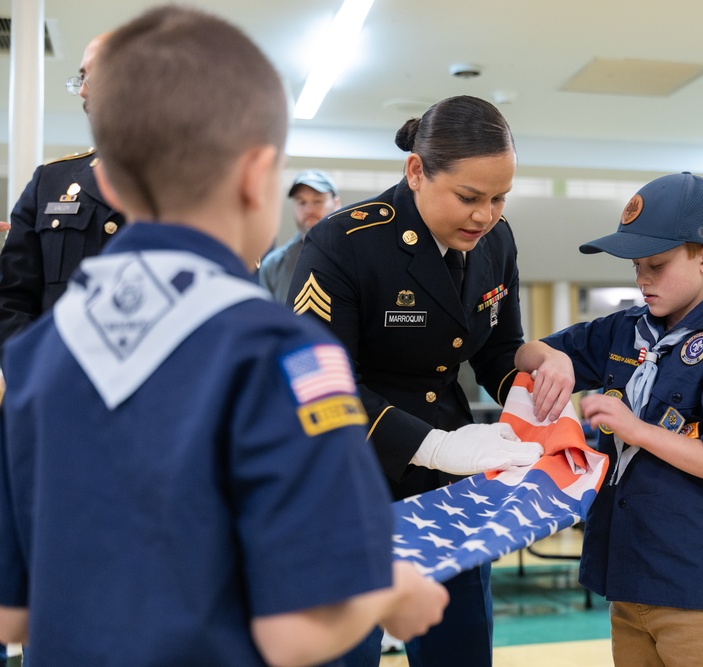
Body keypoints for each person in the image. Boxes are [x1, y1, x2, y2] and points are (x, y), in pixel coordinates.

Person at [0, 6, 448, 665]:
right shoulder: (284, 352)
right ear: (253, 175)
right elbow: (296, 629)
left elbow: (14, 613)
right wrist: (393, 594)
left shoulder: (35, 358)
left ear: (111, 183)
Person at [286, 95, 544, 667]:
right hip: (348, 476)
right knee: (342, 652)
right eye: (469, 198)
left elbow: (499, 349)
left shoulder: (496, 242)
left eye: (500, 198)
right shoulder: (343, 243)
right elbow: (316, 381)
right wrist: (432, 446)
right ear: (417, 171)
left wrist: (536, 396)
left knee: (459, 647)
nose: (486, 216)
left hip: (447, 489)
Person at [515, 172, 703, 667]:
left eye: (656, 265)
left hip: (698, 588)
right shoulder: (625, 331)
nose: (642, 280)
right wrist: (555, 360)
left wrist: (635, 430)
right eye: (637, 266)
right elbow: (523, 352)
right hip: (628, 577)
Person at [0, 33, 126, 358]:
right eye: (80, 78)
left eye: (90, 77)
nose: (82, 91)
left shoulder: (193, 180)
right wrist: (33, 374)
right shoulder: (50, 181)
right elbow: (13, 297)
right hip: (56, 385)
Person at [259, 169, 340, 301]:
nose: (309, 209)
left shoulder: (357, 258)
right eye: (301, 202)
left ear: (336, 204)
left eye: (317, 201)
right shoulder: (273, 266)